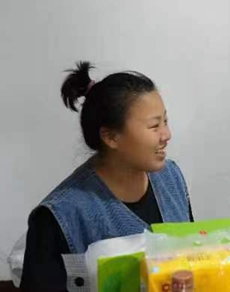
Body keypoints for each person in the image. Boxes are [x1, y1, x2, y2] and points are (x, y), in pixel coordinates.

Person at [21, 61, 193, 291]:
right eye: (154, 126)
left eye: (165, 121)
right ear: (111, 137)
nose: (166, 134)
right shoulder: (60, 216)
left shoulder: (171, 178)